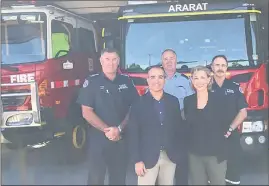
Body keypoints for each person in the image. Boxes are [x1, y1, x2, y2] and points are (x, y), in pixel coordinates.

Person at [76, 48, 139, 185]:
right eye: (107, 59)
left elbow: (134, 108)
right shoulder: (92, 82)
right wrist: (108, 130)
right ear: (101, 61)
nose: (111, 63)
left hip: (121, 138)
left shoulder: (127, 82)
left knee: (119, 178)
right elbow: (86, 111)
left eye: (114, 59)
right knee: (95, 179)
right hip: (99, 139)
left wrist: (119, 129)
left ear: (119, 62)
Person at [127, 66, 186, 185]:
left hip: (170, 156)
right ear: (147, 80)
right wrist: (137, 160)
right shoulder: (138, 103)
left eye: (160, 77)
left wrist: (178, 152)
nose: (156, 81)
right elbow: (133, 133)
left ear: (165, 80)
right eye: (152, 77)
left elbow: (178, 129)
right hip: (146, 157)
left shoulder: (173, 101)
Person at [184, 66, 230, 185]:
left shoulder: (220, 99)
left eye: (203, 77)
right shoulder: (188, 101)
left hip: (216, 154)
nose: (199, 81)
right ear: (192, 81)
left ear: (209, 79)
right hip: (195, 154)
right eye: (196, 78)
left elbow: (225, 124)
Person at [211, 55, 248, 185]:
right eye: (217, 65)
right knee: (212, 176)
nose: (220, 68)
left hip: (231, 136)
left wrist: (230, 129)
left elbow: (243, 112)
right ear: (212, 67)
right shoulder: (205, 87)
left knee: (232, 176)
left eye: (223, 65)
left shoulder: (234, 87)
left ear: (226, 68)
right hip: (211, 137)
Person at [161, 49, 194, 185]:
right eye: (166, 59)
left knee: (181, 167)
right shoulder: (156, 78)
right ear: (162, 62)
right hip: (161, 126)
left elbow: (191, 102)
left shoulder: (185, 81)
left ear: (176, 60)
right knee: (162, 168)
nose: (169, 61)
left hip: (181, 126)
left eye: (172, 58)